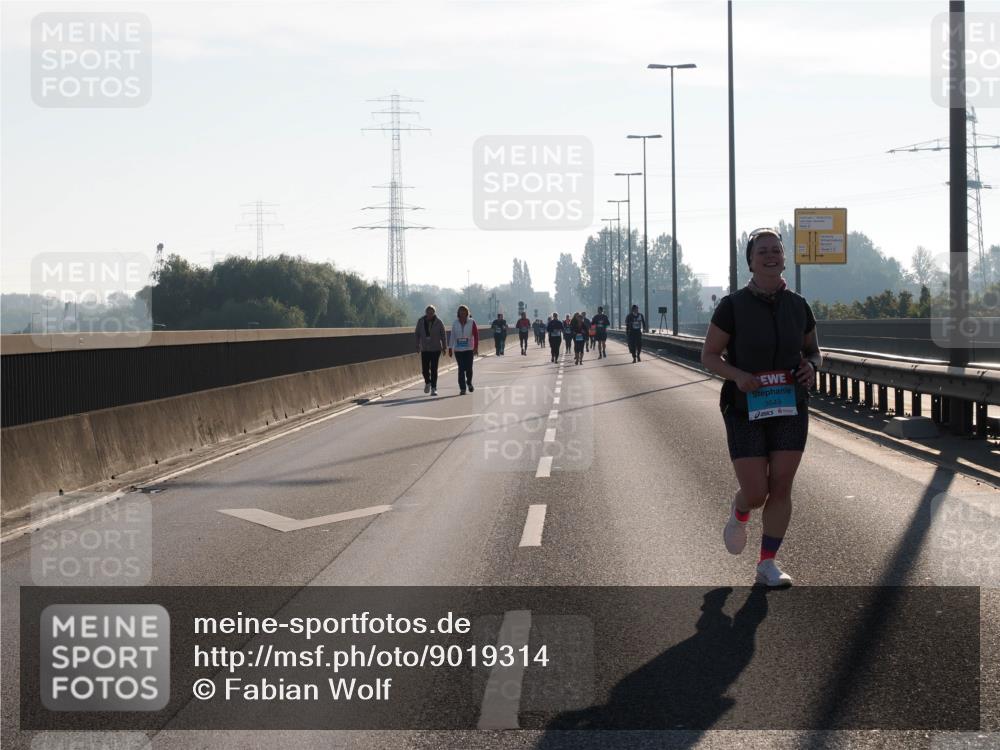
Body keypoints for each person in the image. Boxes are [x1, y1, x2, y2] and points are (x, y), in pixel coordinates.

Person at [700, 228, 821, 588]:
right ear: (750, 261)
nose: (770, 256)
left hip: (790, 406)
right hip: (744, 408)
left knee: (781, 486)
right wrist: (737, 375)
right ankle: (740, 513)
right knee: (756, 492)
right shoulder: (732, 306)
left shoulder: (799, 305)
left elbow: (813, 350)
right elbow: (709, 355)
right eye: (762, 251)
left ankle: (767, 563)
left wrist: (811, 366)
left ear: (785, 257)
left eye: (776, 250)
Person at [414, 305, 447, 396]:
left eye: (431, 312)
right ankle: (427, 382)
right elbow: (417, 334)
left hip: (436, 348)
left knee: (434, 368)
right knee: (425, 369)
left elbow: (443, 335)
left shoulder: (438, 322)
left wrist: (444, 347)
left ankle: (434, 387)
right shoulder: (421, 321)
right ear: (426, 313)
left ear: (434, 313)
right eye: (428, 312)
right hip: (425, 348)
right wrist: (417, 345)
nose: (430, 314)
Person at [448, 305, 480, 395]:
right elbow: (452, 336)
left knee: (469, 368)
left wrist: (476, 347)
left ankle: (469, 382)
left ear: (467, 312)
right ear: (458, 313)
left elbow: (476, 335)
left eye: (464, 311)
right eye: (460, 311)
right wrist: (450, 348)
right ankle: (462, 388)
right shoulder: (455, 323)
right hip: (458, 350)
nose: (462, 313)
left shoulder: (472, 322)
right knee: (461, 369)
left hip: (469, 349)